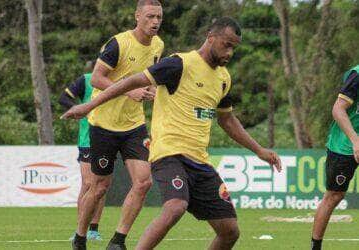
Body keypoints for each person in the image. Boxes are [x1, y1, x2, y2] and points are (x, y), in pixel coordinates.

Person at [62, 17, 281, 250]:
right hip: (168, 154)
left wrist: (259, 150)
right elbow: (131, 81)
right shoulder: (179, 64)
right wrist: (89, 105)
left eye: (233, 48)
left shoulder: (223, 78)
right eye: (226, 45)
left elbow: (227, 119)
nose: (230, 52)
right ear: (211, 38)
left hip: (200, 162)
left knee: (229, 231)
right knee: (176, 206)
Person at [67, 0, 164, 249]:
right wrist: (129, 92)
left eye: (159, 18)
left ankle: (118, 240)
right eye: (150, 16)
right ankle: (80, 237)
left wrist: (151, 90)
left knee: (144, 182)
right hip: (103, 125)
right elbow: (97, 78)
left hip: (134, 125)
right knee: (99, 187)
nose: (155, 22)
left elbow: (148, 77)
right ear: (137, 16)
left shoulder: (158, 45)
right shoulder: (118, 43)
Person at [311, 65, 359, 250]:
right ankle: (315, 247)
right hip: (344, 144)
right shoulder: (357, 75)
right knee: (334, 196)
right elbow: (338, 109)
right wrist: (355, 140)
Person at [59, 70, 105, 241]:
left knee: (100, 187)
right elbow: (63, 98)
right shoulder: (86, 80)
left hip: (108, 138)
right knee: (88, 184)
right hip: (87, 140)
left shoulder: (119, 81)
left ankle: (94, 229)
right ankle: (80, 229)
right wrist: (81, 111)